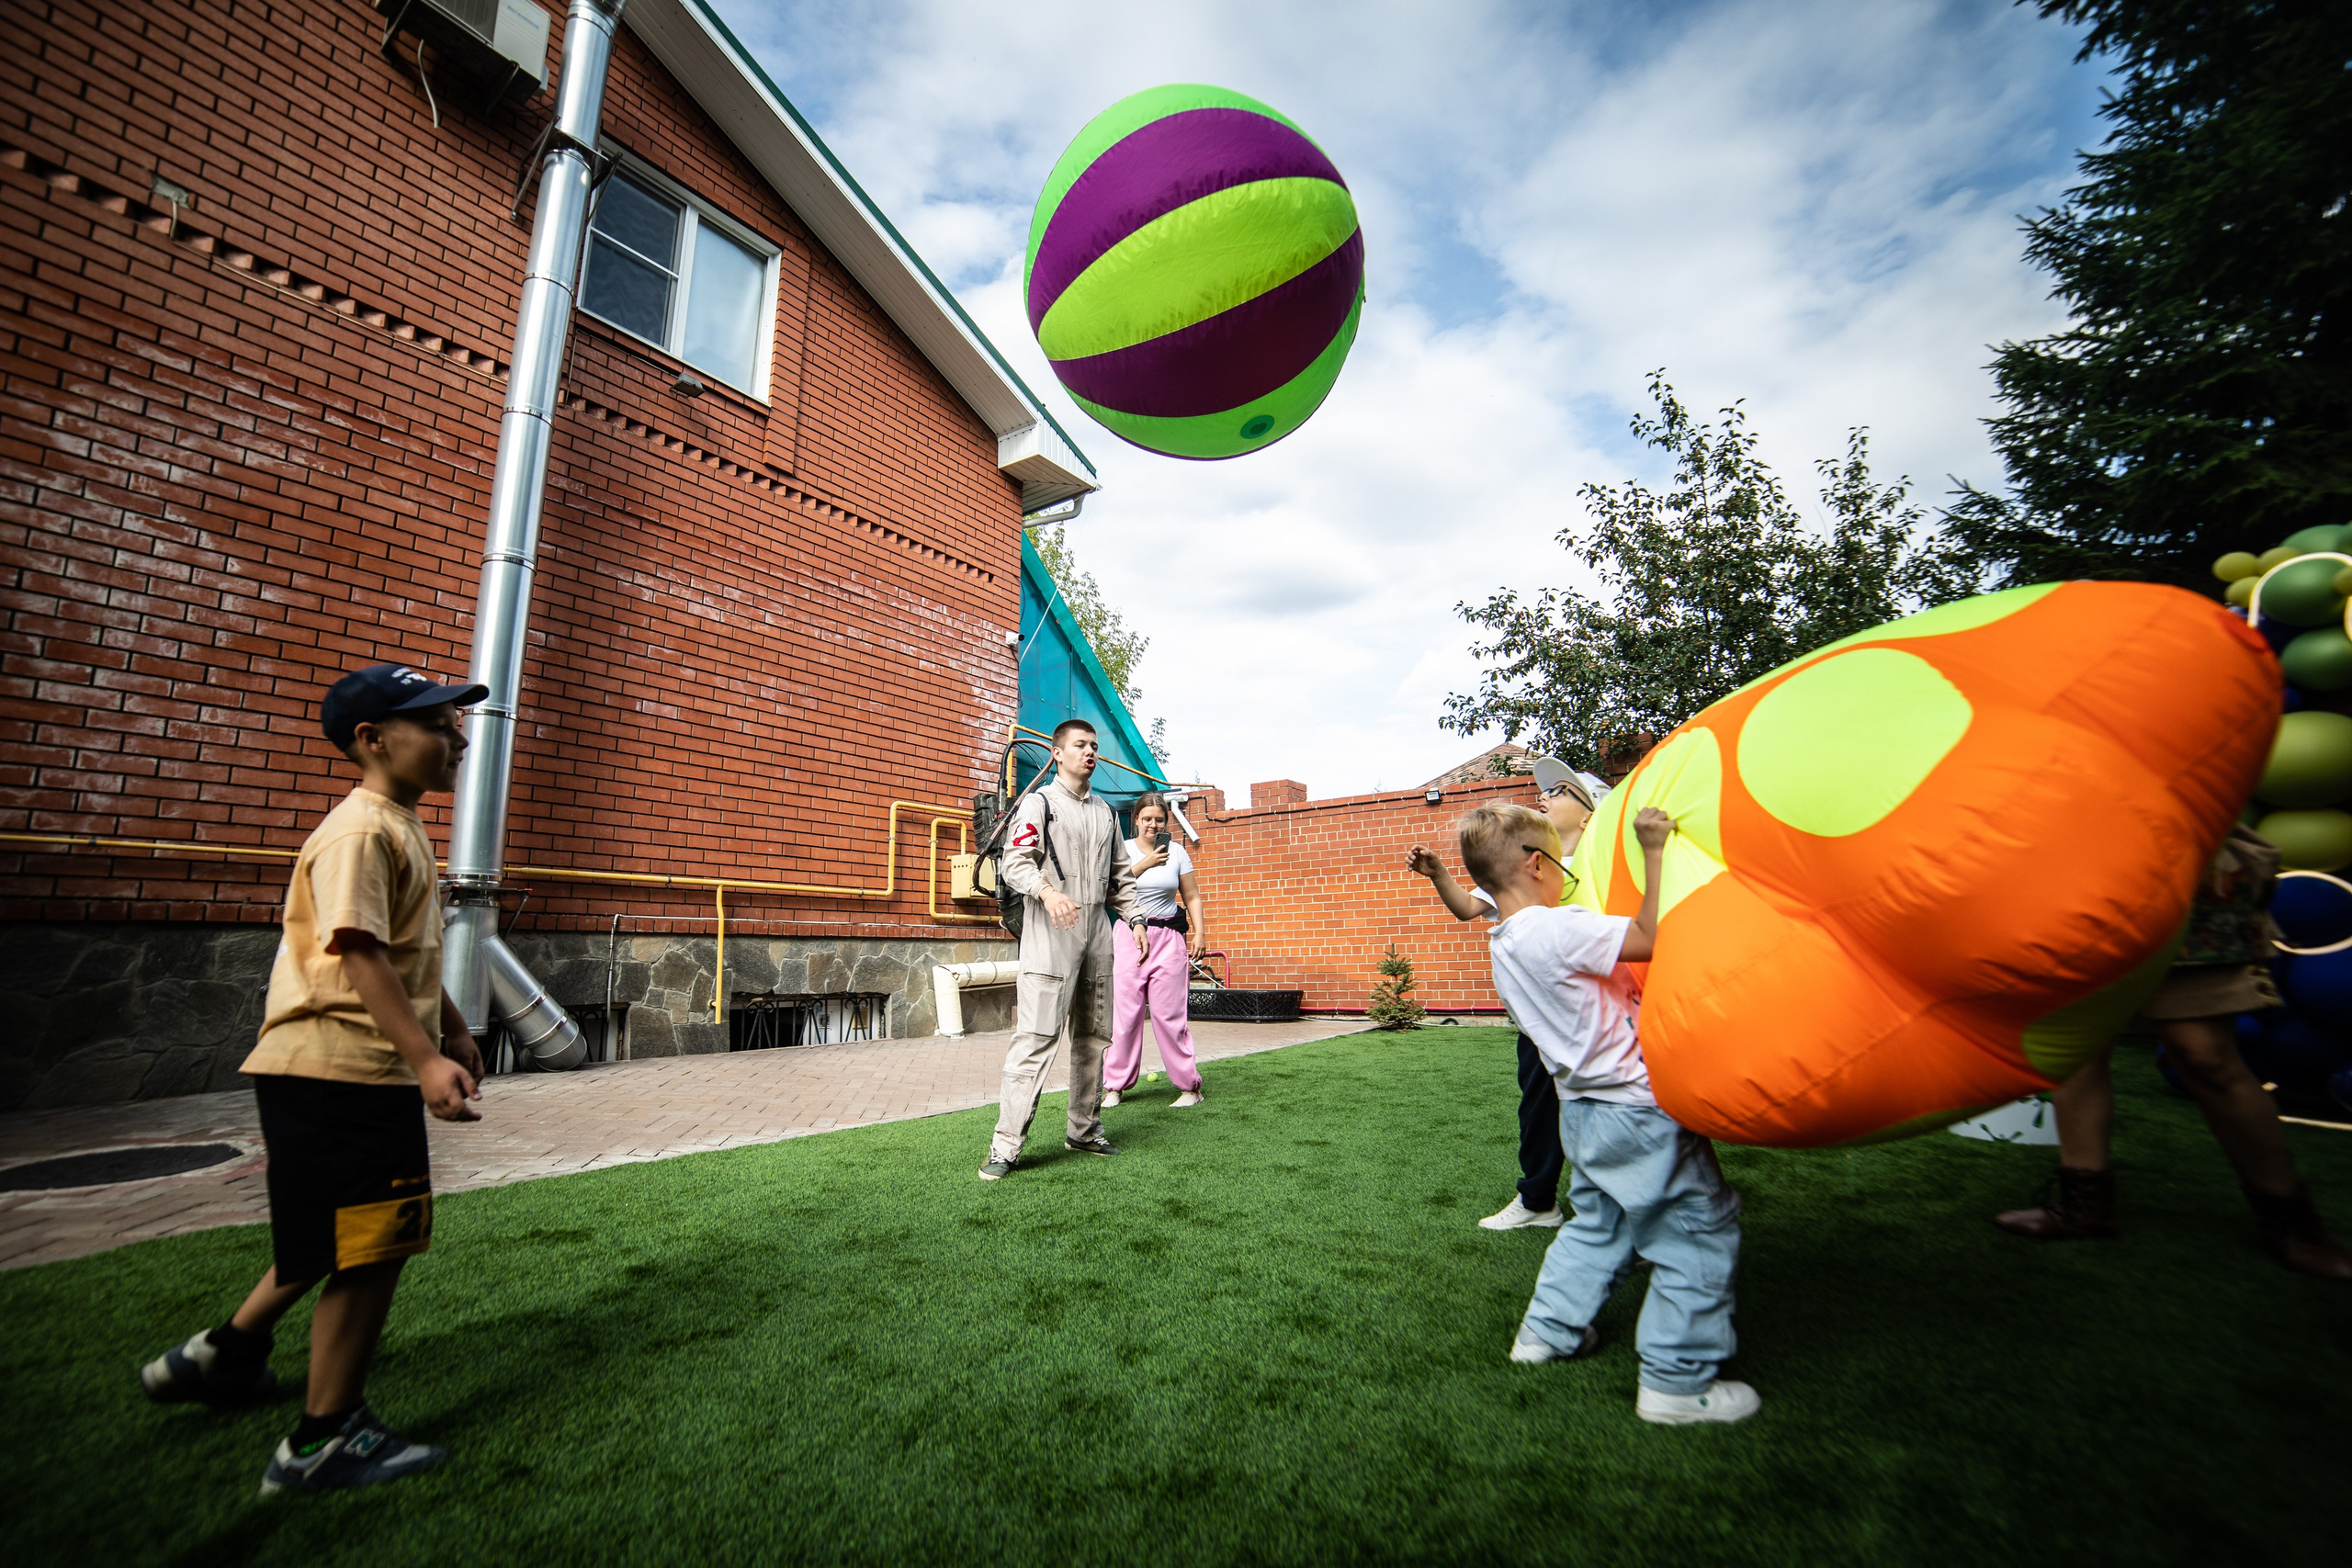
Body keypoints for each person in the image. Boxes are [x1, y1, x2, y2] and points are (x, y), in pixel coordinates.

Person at [139, 661, 491, 1493]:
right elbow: (357, 948)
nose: (458, 738)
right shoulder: (362, 830)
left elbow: (402, 949)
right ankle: (323, 1439)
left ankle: (223, 1355)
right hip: (342, 1069)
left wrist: (454, 1024)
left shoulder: (398, 827)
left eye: (456, 724)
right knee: (372, 1245)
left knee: (328, 1234)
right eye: (437, 725)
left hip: (330, 1071)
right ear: (372, 740)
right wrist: (424, 1058)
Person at [1470, 801, 1757, 1426]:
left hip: (1585, 1112)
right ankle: (1677, 1382)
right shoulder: (1556, 927)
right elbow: (1648, 938)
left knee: (1599, 1223)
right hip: (1635, 1107)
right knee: (1697, 1231)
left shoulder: (1506, 940)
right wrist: (1654, 850)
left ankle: (1547, 1331)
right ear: (1537, 864)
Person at [1995, 823, 2352, 1280]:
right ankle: (2083, 1202)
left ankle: (2292, 1221)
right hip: (2068, 869)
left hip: (2179, 862)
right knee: (2078, 1046)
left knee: (2205, 1056)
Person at [1408, 756, 1604, 1231]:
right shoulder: (1522, 865)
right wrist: (1439, 875)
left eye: (1560, 792)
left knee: (1605, 1106)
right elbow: (1468, 909)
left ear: (1589, 813)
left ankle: (1625, 1209)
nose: (1545, 796)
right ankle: (1538, 1200)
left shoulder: (1604, 864)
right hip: (1540, 1017)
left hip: (1596, 1014)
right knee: (1537, 1103)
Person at [981, 718, 1148, 1179]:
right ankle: (1006, 1145)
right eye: (1081, 745)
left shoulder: (1107, 814)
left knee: (1094, 1036)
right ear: (1058, 753)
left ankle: (1084, 1131)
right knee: (1035, 1039)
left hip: (1097, 933)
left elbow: (1122, 878)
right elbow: (1014, 863)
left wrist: (1135, 919)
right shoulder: (1038, 804)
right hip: (1050, 934)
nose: (1090, 752)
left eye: (1094, 746)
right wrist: (1047, 891)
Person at [1104, 792, 1207, 1109]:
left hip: (1167, 938)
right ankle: (1114, 1087)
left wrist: (1200, 933)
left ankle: (1189, 1087)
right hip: (1129, 936)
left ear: (1166, 822)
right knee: (1125, 1016)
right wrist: (1145, 864)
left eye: (1159, 819)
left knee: (1170, 1016)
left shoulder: (1176, 852)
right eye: (1146, 818)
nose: (1152, 824)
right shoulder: (1122, 849)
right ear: (1135, 819)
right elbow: (1109, 891)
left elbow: (1191, 896)